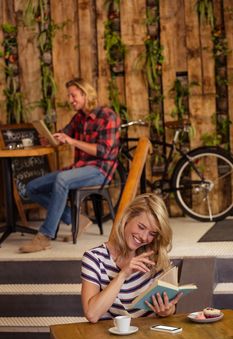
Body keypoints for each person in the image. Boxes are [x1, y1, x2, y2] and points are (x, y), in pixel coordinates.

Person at [19, 78, 121, 253]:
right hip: (81, 168)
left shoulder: (108, 116)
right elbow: (64, 134)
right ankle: (76, 220)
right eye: (69, 96)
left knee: (62, 179)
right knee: (31, 188)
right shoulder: (79, 118)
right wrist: (52, 139)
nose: (70, 99)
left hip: (100, 170)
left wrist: (71, 141)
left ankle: (45, 236)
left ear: (85, 94)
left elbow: (104, 151)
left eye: (73, 95)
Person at [81, 193, 182, 323]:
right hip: (110, 338)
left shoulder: (154, 257)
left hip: (150, 336)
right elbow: (92, 314)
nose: (144, 237)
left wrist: (167, 310)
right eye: (141, 227)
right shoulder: (94, 258)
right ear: (127, 217)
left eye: (152, 233)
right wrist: (123, 274)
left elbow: (170, 308)